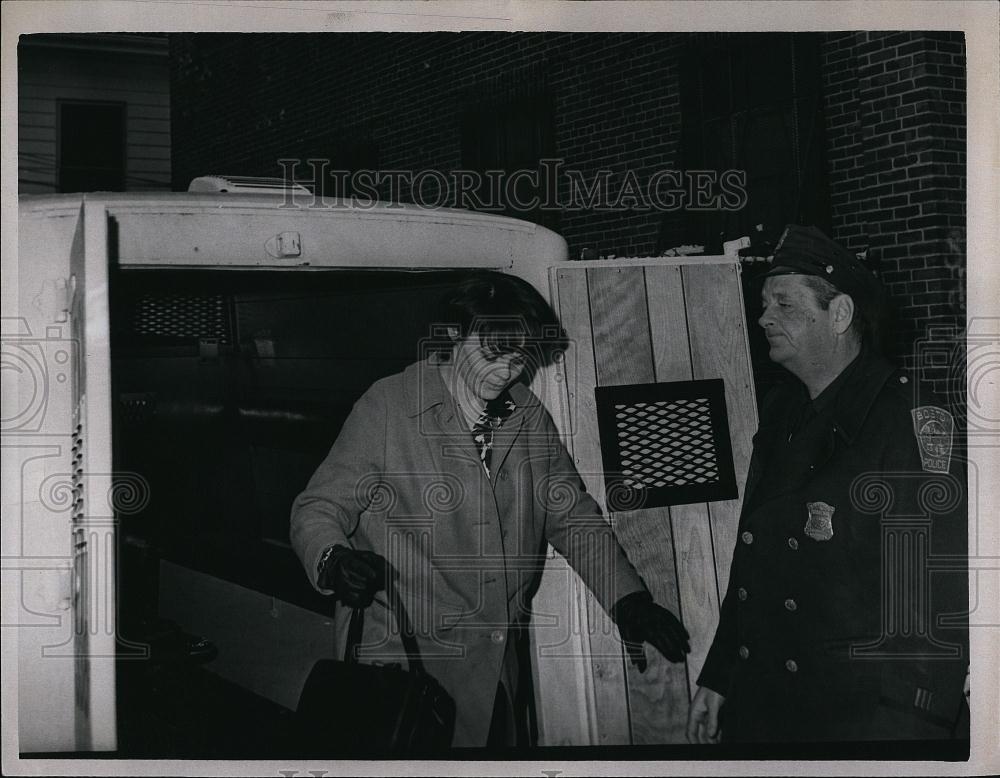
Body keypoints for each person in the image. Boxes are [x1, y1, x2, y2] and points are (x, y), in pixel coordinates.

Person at [291, 272, 691, 749]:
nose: (507, 371)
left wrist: (628, 599)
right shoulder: (388, 407)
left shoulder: (527, 417)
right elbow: (318, 507)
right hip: (403, 673)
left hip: (497, 674)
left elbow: (572, 516)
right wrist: (332, 559)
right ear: (454, 336)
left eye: (520, 356)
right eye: (494, 351)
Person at [686, 225, 968, 745]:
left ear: (839, 315)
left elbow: (935, 599)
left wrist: (911, 730)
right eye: (765, 303)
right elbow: (755, 560)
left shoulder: (907, 420)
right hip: (767, 706)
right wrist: (721, 675)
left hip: (858, 720)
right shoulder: (782, 410)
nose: (764, 317)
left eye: (785, 305)